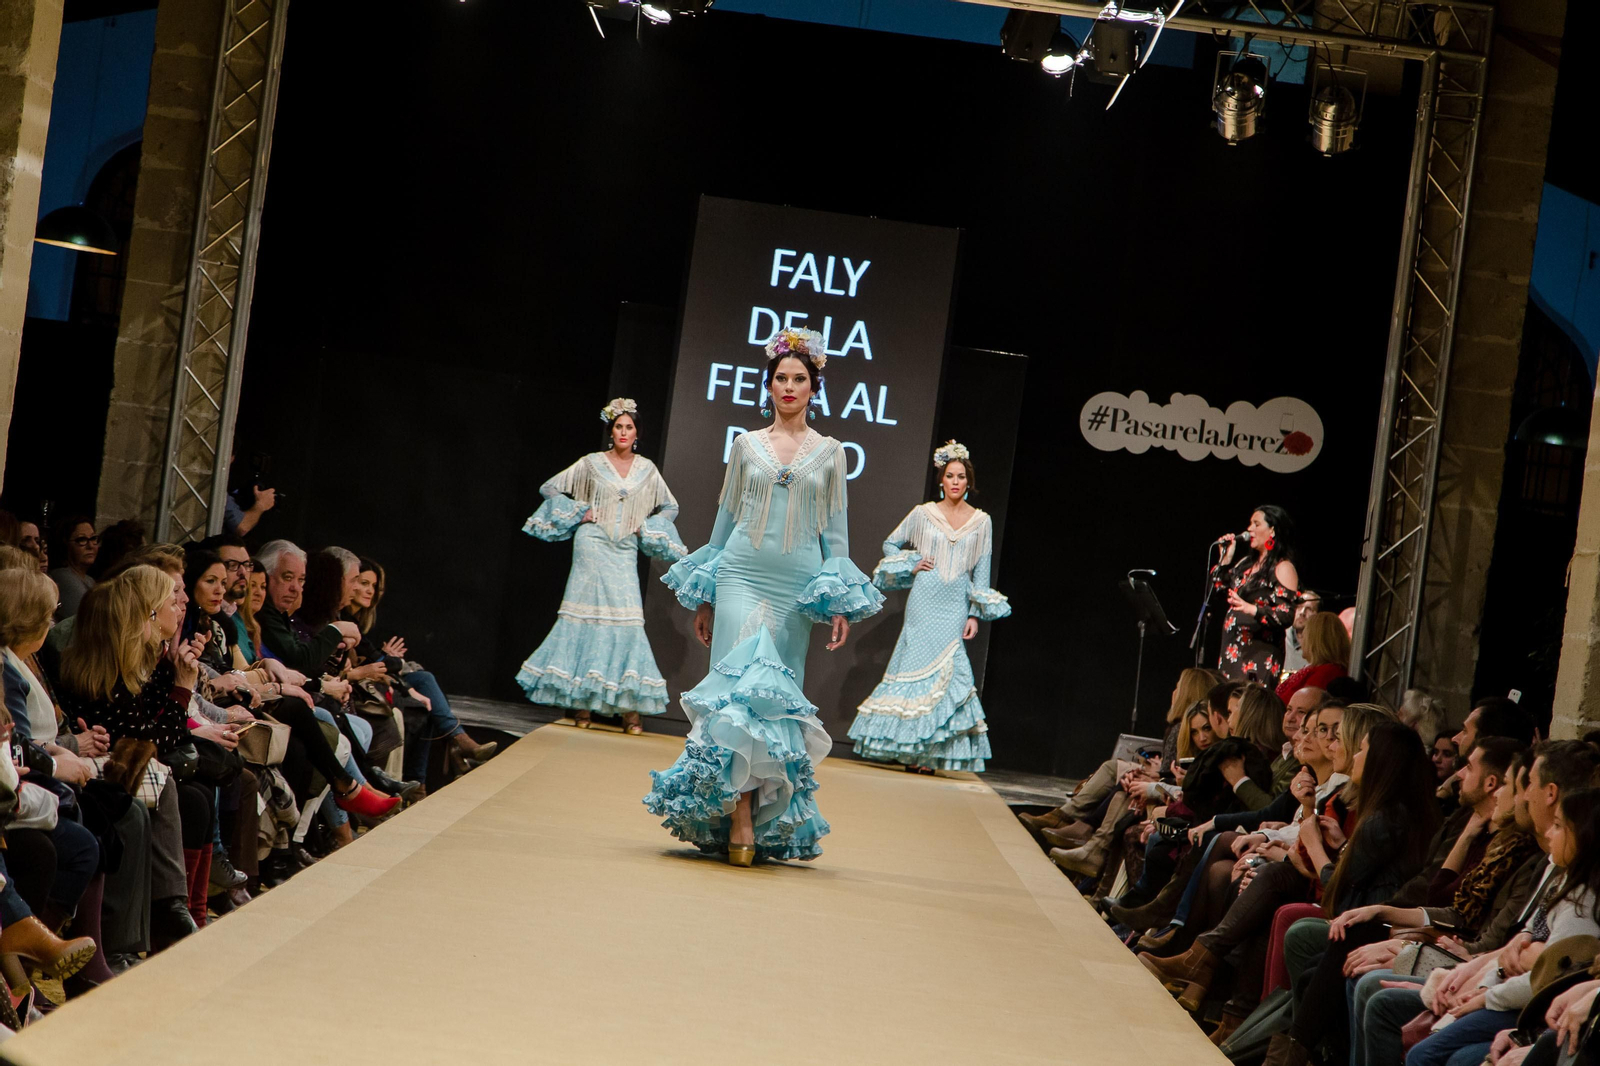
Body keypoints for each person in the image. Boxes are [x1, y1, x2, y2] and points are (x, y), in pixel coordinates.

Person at [644, 328, 883, 866]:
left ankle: (750, 811)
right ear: (769, 386)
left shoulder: (831, 453)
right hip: (739, 575)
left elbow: (836, 533)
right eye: (782, 378)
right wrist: (706, 596)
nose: (790, 387)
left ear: (814, 387)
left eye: (800, 379)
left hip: (795, 588)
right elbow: (724, 521)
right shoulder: (745, 445)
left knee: (771, 703)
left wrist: (839, 601)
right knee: (734, 696)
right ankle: (738, 816)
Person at [516, 399, 685, 735]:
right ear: (611, 431)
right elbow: (549, 487)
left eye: (629, 427)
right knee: (585, 619)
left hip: (623, 549)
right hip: (592, 545)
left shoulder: (647, 470)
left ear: (637, 433)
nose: (623, 432)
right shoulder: (592, 464)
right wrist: (582, 511)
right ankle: (580, 706)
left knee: (627, 623)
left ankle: (629, 712)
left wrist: (645, 527)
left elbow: (670, 506)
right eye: (618, 426)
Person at [846, 440, 1009, 773]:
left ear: (968, 482)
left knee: (951, 673)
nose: (955, 481)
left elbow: (981, 571)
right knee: (913, 669)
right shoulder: (924, 514)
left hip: (955, 605)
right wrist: (912, 563)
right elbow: (891, 543)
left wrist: (976, 614)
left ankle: (929, 753)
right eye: (950, 475)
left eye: (961, 477)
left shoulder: (981, 522)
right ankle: (910, 751)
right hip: (924, 602)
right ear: (941, 479)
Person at [1212, 505, 1300, 681]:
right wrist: (1225, 561)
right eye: (1250, 524)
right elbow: (1219, 591)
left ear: (1272, 530)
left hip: (1259, 658)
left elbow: (1286, 615)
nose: (1249, 529)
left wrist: (1251, 609)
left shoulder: (1282, 567)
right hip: (1233, 654)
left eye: (1256, 524)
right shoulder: (1245, 564)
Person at [1277, 611, 1351, 704]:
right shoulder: (1317, 669)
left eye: (1304, 636)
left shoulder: (1326, 673)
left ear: (1315, 640)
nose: (1301, 641)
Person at [48, 515, 100, 620]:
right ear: (65, 544)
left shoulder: (90, 580)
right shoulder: (62, 577)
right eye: (82, 540)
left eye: (93, 538)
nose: (90, 546)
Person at [1282, 590, 1323, 676]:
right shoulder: (1280, 634)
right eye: (1299, 607)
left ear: (1318, 615)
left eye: (1309, 609)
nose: (1302, 613)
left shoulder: (1321, 645)